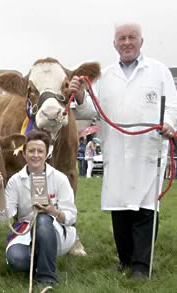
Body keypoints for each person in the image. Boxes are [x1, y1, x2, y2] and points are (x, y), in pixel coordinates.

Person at [69, 22, 177, 279]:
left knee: (144, 208)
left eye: (132, 37)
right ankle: (125, 260)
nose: (127, 42)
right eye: (121, 38)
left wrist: (169, 125)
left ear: (141, 41)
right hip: (116, 150)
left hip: (148, 148)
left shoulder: (159, 71)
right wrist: (82, 95)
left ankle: (141, 265)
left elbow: (172, 106)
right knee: (120, 209)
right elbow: (89, 112)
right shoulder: (104, 76)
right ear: (114, 44)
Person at [0, 130, 77, 286]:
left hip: (54, 229)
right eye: (31, 151)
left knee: (43, 220)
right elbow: (4, 216)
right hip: (26, 230)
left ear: (47, 154)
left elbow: (72, 216)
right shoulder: (15, 180)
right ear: (24, 154)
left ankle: (47, 278)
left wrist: (54, 211)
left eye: (40, 151)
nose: (36, 155)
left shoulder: (60, 179)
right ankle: (42, 260)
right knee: (16, 259)